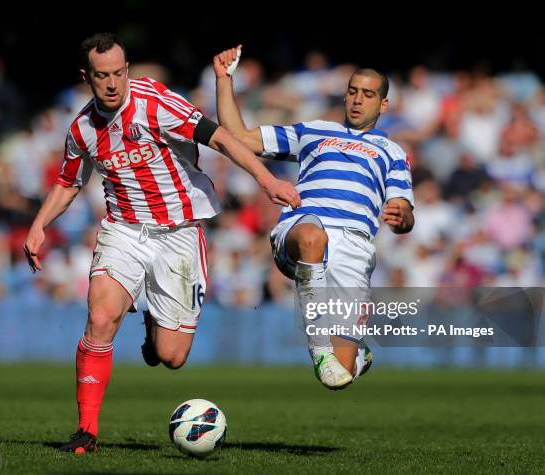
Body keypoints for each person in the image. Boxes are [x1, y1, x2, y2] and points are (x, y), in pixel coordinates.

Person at [24, 34, 300, 453]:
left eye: (119, 72)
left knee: (171, 356)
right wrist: (39, 225)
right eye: (102, 76)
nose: (113, 83)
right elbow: (68, 182)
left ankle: (154, 330)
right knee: (100, 319)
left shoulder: (154, 102)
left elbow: (221, 137)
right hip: (124, 231)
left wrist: (267, 180)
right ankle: (86, 432)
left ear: (128, 69)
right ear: (87, 77)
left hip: (179, 234)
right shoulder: (82, 129)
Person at [213, 46, 415, 390]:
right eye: (352, 91)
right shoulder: (315, 130)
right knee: (311, 237)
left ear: (383, 104)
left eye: (367, 94)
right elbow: (241, 137)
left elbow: (405, 211)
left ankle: (355, 353)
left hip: (354, 247)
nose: (356, 100)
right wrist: (223, 79)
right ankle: (318, 349)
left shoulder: (392, 152)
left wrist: (401, 216)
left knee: (342, 375)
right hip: (302, 227)